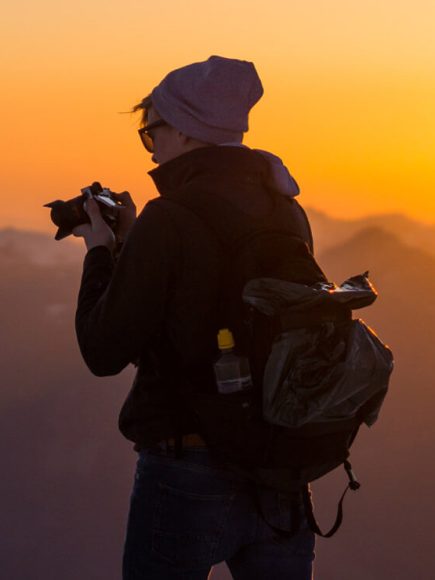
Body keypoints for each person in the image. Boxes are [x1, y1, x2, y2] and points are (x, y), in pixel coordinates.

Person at [73, 55, 321, 580]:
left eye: (151, 130)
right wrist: (137, 242)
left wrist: (102, 251)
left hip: (188, 470)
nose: (151, 145)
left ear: (186, 130)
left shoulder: (172, 218)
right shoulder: (286, 210)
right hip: (280, 468)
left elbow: (103, 350)